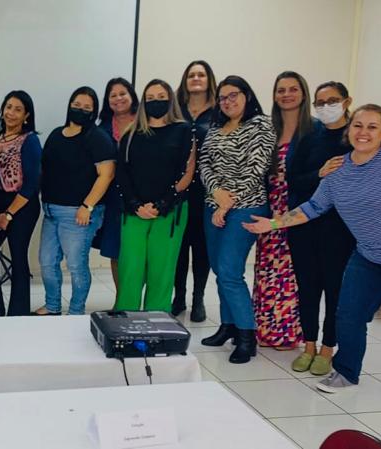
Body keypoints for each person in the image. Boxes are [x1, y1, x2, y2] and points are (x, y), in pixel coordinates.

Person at [243, 103, 381, 426]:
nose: (363, 132)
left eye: (372, 127)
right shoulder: (339, 171)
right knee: (348, 315)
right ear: (349, 130)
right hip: (372, 257)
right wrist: (273, 223)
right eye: (358, 126)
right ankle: (346, 372)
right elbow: (313, 207)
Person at [285, 81, 381, 375]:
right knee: (308, 289)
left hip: (343, 230)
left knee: (336, 291)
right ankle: (309, 345)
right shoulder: (307, 136)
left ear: (347, 101)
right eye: (320, 103)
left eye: (332, 101)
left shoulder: (359, 137)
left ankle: (328, 349)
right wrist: (319, 173)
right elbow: (293, 179)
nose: (326, 107)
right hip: (305, 226)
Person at [196, 75, 274, 364]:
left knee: (230, 271)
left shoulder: (261, 125)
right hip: (214, 205)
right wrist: (217, 192)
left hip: (247, 207)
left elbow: (256, 168)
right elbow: (204, 163)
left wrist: (228, 202)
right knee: (220, 270)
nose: (227, 101)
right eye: (222, 97)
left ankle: (246, 336)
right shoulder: (216, 127)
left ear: (246, 95)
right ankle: (227, 325)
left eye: (233, 95)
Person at [113, 79, 193, 312]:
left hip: (170, 211)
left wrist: (162, 203)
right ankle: (125, 316)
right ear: (143, 102)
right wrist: (136, 204)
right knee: (131, 267)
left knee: (161, 269)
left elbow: (187, 172)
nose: (155, 102)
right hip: (134, 211)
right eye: (150, 98)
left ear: (170, 101)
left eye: (161, 98)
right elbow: (122, 173)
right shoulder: (130, 133)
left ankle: (157, 319)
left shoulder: (184, 131)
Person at [36, 87, 116, 315]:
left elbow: (107, 174)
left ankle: (75, 311)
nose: (80, 110)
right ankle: (52, 306)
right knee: (47, 261)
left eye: (87, 107)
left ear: (94, 111)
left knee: (75, 265)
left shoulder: (97, 138)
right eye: (77, 105)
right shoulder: (56, 134)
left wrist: (87, 206)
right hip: (51, 211)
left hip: (79, 214)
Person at [252, 72, 308, 350]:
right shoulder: (268, 129)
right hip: (269, 210)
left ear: (303, 93)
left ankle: (287, 334)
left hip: (298, 212)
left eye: (292, 89)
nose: (286, 95)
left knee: (289, 273)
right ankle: (265, 330)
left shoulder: (314, 131)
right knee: (267, 269)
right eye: (281, 90)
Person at [0, 91, 42, 316]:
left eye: (18, 109)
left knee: (18, 255)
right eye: (8, 107)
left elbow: (31, 184)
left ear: (26, 115)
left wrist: (9, 214)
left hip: (22, 206)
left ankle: (18, 313)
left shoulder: (30, 140)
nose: (11, 113)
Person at [172, 60, 217, 322]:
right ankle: (178, 296)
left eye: (201, 74)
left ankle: (198, 298)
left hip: (207, 191)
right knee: (178, 248)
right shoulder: (175, 109)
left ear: (209, 79)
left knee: (202, 249)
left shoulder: (219, 111)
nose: (196, 78)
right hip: (177, 189)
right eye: (191, 75)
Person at [93, 78, 138, 292]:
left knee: (138, 251)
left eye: (123, 93)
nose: (118, 98)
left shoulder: (145, 122)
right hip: (112, 199)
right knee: (116, 251)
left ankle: (137, 297)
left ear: (132, 96)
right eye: (113, 95)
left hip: (141, 196)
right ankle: (122, 298)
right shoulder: (101, 129)